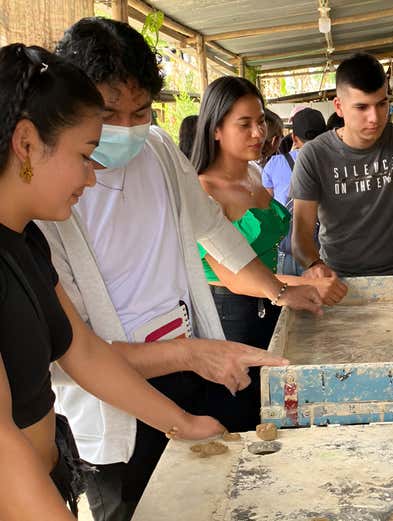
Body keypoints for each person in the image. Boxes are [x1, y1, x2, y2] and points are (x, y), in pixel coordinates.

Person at [41, 18, 320, 521]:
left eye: (141, 111)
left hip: (188, 364)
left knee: (208, 501)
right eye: (109, 114)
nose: (127, 128)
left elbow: (214, 230)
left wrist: (277, 290)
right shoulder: (46, 201)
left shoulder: (157, 150)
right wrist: (190, 360)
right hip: (115, 405)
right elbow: (76, 353)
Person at [0, 43, 224, 521]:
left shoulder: (27, 243)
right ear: (25, 143)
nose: (92, 175)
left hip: (46, 482)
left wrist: (181, 424)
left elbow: (84, 352)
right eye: (85, 154)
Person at [190, 77, 347, 430]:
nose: (258, 132)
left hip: (270, 305)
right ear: (215, 130)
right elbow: (231, 276)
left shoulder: (253, 172)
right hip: (231, 317)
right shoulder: (202, 190)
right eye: (243, 125)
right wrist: (297, 286)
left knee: (275, 411)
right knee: (243, 417)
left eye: (260, 121)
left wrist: (308, 277)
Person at [291, 53, 393, 278]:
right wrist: (314, 266)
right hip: (337, 277)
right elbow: (301, 234)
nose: (375, 117)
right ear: (339, 107)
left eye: (382, 104)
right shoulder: (313, 155)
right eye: (362, 107)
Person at [263, 107, 327, 275]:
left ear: (294, 138)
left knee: (291, 298)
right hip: (323, 251)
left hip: (288, 246)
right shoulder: (333, 161)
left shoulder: (273, 164)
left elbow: (268, 207)